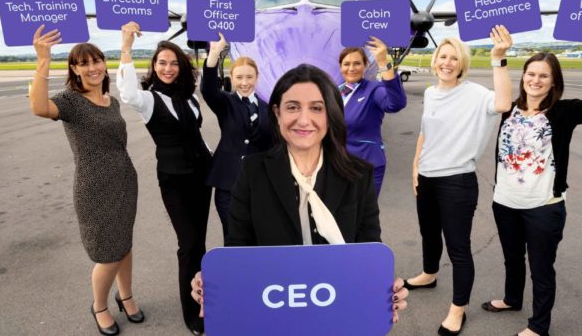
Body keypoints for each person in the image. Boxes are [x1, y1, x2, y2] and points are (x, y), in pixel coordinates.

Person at [189, 63, 408, 323]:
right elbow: (239, 252)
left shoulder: (359, 175)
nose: (304, 119)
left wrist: (381, 291)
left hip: (338, 312)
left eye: (317, 108)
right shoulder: (251, 172)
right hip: (274, 315)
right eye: (292, 107)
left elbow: (368, 252)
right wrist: (219, 283)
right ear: (277, 113)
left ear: (331, 114)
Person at [481, 31, 582, 336]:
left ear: (553, 81)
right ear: (523, 78)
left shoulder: (564, 111)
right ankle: (512, 298)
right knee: (512, 258)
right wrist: (499, 55)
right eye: (530, 74)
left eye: (543, 76)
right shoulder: (509, 108)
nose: (535, 80)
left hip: (544, 206)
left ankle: (538, 325)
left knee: (542, 268)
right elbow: (498, 83)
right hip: (505, 201)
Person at [30, 25, 143, 336]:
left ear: (103, 64)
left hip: (124, 182)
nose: (92, 68)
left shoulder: (112, 101)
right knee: (108, 253)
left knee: (125, 244)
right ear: (75, 69)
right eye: (84, 63)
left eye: (97, 61)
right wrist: (43, 60)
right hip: (94, 189)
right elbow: (39, 107)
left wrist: (126, 44)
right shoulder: (70, 101)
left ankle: (127, 296)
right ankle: (100, 306)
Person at [404, 25, 514, 336]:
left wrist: (498, 58)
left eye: (454, 58)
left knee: (458, 248)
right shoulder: (430, 92)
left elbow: (504, 103)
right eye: (443, 56)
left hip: (457, 182)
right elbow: (426, 132)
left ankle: (458, 309)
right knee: (428, 233)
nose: (447, 62)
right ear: (434, 59)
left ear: (462, 64)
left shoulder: (476, 95)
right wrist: (415, 167)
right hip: (426, 177)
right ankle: (428, 273)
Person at [116, 22, 212, 335]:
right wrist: (126, 47)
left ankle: (204, 297)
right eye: (161, 63)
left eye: (173, 63)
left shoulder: (189, 98)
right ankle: (192, 314)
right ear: (154, 67)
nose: (168, 68)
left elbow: (197, 136)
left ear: (181, 67)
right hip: (175, 180)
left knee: (199, 242)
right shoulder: (148, 99)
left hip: (202, 176)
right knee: (188, 244)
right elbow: (128, 92)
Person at [200, 33, 272, 243]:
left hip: (259, 187)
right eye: (239, 77)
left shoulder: (269, 109)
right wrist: (214, 54)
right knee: (233, 238)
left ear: (257, 78)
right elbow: (208, 89)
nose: (244, 82)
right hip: (228, 186)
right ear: (233, 78)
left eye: (249, 77)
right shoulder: (225, 102)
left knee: (258, 239)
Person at [338, 36, 407, 196]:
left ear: (365, 66)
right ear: (340, 67)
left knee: (363, 217)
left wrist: (383, 63)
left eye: (357, 63)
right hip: (337, 164)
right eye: (346, 64)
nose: (351, 68)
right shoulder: (335, 90)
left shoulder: (374, 89)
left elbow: (396, 104)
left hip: (365, 165)